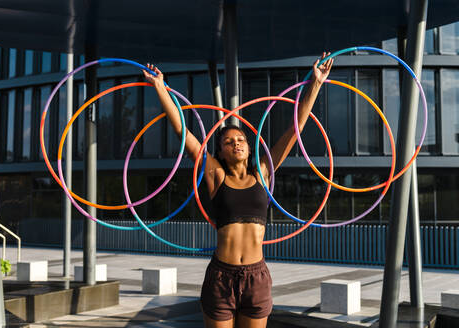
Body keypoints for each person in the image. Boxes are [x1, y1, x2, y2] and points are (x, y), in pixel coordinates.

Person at [143, 52, 333, 328]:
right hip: (221, 276)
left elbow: (296, 129)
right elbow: (184, 134)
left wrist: (315, 83)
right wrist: (160, 87)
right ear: (219, 150)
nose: (236, 144)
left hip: (256, 277)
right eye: (229, 141)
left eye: (241, 139)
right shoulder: (215, 175)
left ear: (249, 145)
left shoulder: (263, 173)